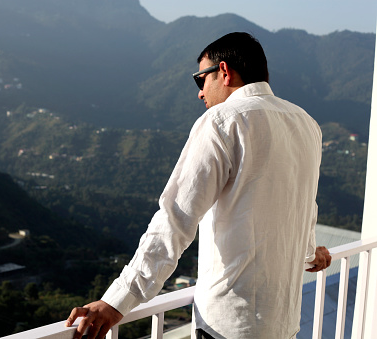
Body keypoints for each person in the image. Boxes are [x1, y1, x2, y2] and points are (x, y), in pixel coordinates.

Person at [65, 32, 332, 339]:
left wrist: (117, 301)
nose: (200, 93)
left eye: (200, 80)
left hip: (228, 323)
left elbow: (176, 218)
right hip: (283, 323)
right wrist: (311, 255)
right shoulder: (307, 124)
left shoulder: (223, 121)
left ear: (224, 72)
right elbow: (301, 206)